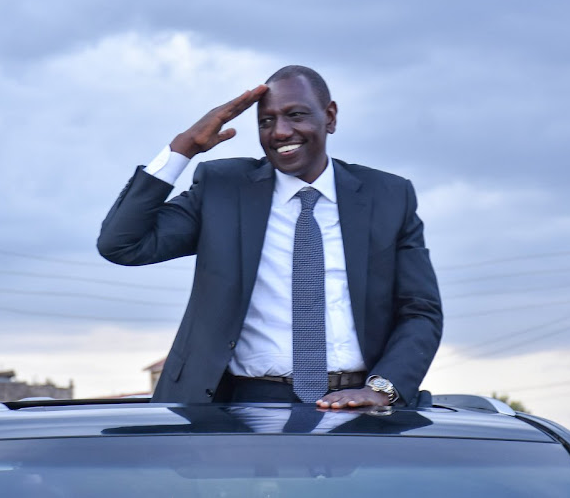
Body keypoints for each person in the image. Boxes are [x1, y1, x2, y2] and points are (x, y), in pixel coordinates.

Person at [98, 65, 442, 408]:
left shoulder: (389, 197)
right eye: (266, 121)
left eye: (295, 115)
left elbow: (420, 310)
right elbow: (123, 244)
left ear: (330, 117)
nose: (280, 132)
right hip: (239, 407)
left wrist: (380, 390)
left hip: (357, 403)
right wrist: (182, 150)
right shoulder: (223, 189)